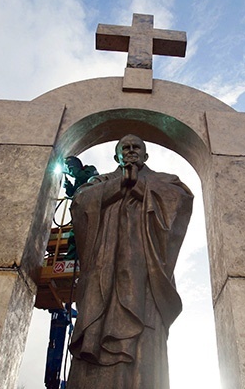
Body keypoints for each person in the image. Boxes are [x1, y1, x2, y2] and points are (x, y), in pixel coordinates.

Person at [66, 135, 194, 389]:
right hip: (105, 275)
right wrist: (117, 188)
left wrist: (140, 188)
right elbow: (80, 203)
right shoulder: (100, 183)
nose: (131, 151)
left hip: (146, 276)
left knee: (145, 339)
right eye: (125, 148)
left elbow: (181, 200)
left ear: (146, 156)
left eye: (137, 148)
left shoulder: (163, 181)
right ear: (116, 157)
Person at [62, 156, 98, 260]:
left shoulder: (90, 169)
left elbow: (85, 177)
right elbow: (74, 193)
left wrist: (70, 170)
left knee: (88, 234)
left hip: (91, 207)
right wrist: (68, 187)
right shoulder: (78, 180)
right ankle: (72, 258)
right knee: (75, 234)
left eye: (71, 167)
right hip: (79, 209)